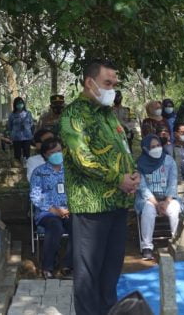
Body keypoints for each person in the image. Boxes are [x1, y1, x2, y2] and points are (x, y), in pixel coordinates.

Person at [59, 59, 140, 315]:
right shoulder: (74, 114)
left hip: (117, 203)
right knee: (88, 274)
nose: (112, 88)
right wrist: (119, 179)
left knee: (111, 270)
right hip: (91, 205)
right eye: (107, 83)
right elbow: (83, 158)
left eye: (115, 83)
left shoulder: (107, 114)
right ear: (89, 82)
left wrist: (132, 174)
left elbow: (122, 149)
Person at [29, 138, 72, 279]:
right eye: (52, 152)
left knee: (79, 226)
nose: (57, 154)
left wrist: (70, 209)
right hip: (47, 213)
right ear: (45, 155)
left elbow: (79, 192)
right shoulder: (39, 172)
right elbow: (35, 195)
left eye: (59, 151)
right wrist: (53, 209)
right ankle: (47, 266)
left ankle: (68, 265)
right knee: (55, 226)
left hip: (69, 211)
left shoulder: (70, 171)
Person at [135, 135, 181, 260]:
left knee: (175, 209)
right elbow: (142, 187)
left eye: (158, 145)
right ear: (145, 149)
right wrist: (156, 204)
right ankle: (147, 247)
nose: (157, 148)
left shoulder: (169, 161)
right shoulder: (140, 164)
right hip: (148, 199)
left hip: (168, 198)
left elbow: (173, 183)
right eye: (152, 147)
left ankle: (177, 241)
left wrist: (166, 202)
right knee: (148, 211)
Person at [7, 97, 35, 162]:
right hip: (16, 138)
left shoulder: (28, 113)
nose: (20, 105)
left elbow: (31, 124)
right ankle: (18, 167)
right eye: (18, 103)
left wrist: (32, 133)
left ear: (23, 104)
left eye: (21, 103)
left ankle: (27, 167)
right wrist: (11, 134)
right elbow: (9, 126)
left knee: (27, 154)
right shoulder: (12, 115)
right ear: (15, 105)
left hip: (27, 137)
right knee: (17, 154)